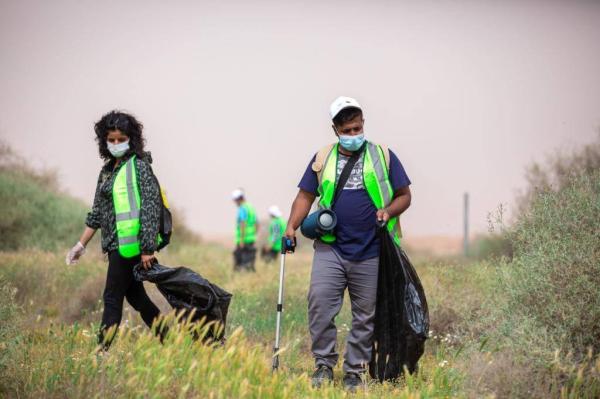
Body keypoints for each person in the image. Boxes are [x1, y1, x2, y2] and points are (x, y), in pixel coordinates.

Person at [284, 96, 412, 391]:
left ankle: (354, 372)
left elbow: (404, 195)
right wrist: (290, 226)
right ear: (335, 129)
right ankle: (324, 366)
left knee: (365, 315)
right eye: (348, 130)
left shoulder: (383, 155)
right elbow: (305, 196)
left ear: (363, 124)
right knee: (319, 306)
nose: (354, 135)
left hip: (372, 250)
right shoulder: (322, 157)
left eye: (357, 128)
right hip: (331, 247)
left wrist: (388, 211)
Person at [65, 110, 165, 350]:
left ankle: (102, 351)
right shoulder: (107, 171)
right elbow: (97, 213)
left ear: (131, 138)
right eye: (112, 139)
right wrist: (80, 245)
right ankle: (170, 339)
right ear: (104, 141)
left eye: (121, 139)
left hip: (130, 247)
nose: (117, 143)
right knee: (138, 299)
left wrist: (147, 248)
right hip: (115, 246)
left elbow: (151, 208)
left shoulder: (139, 167)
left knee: (112, 298)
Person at [231, 188, 259, 271]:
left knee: (239, 261)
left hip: (243, 240)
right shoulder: (251, 207)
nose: (235, 202)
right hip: (251, 239)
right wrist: (254, 235)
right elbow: (257, 223)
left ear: (238, 199)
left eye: (235, 200)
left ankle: (241, 277)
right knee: (250, 260)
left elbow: (242, 224)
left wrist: (242, 240)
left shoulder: (242, 208)